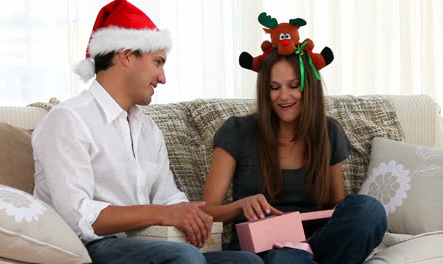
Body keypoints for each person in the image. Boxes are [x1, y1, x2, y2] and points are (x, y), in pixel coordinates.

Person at [32, 1, 263, 263]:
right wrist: (162, 214)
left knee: (247, 261)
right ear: (127, 55)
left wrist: (189, 213)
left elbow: (168, 196)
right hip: (89, 248)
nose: (162, 77)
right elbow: (77, 217)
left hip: (147, 246)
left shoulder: (148, 130)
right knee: (184, 257)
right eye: (158, 62)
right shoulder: (68, 120)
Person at [202, 16, 387, 264]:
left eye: (293, 85)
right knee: (285, 259)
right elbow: (207, 210)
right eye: (274, 87)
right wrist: (241, 206)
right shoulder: (237, 131)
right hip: (265, 249)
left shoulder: (329, 131)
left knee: (368, 210)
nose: (283, 96)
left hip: (317, 245)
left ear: (308, 87)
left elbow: (337, 203)